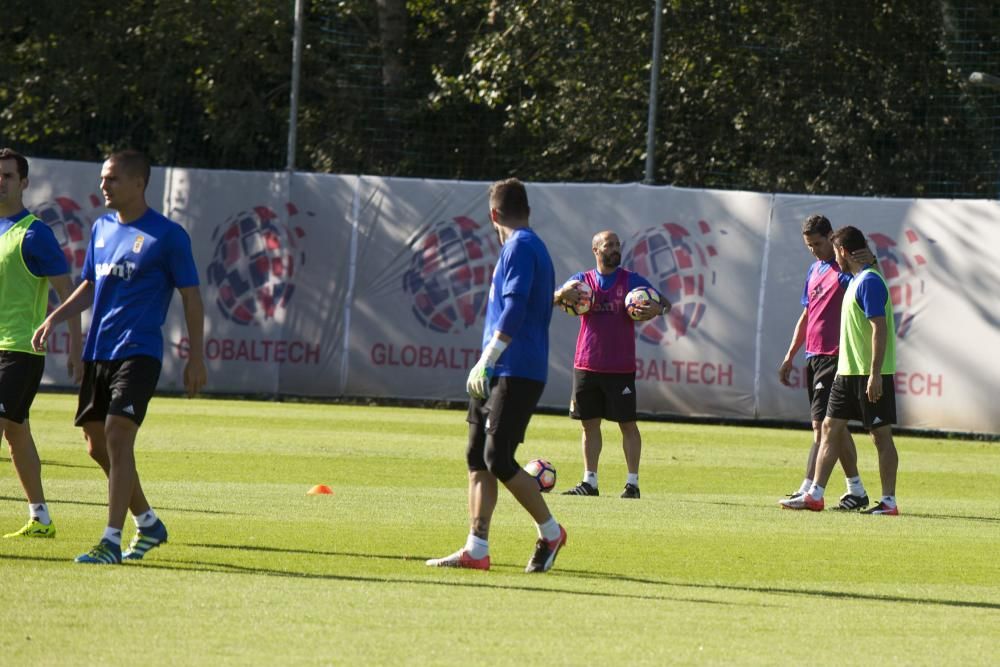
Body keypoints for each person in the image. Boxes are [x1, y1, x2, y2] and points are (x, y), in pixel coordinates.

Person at [33, 149, 207, 564]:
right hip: (99, 350)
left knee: (117, 433)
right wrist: (56, 317)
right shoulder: (102, 228)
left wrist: (196, 356)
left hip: (139, 350)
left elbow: (192, 296)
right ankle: (147, 521)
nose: (103, 186)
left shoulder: (168, 236)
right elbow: (90, 284)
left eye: (111, 179)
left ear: (138, 184)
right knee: (96, 445)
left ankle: (110, 540)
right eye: (102, 179)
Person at [426, 177, 566, 573]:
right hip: (499, 366)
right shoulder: (526, 245)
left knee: (497, 457)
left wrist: (488, 356)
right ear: (529, 210)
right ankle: (476, 548)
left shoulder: (520, 245)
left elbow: (516, 307)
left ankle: (551, 532)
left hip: (514, 367)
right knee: (477, 457)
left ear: (493, 215)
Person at [780, 225, 900, 515]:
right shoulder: (859, 279)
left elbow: (879, 329)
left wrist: (874, 373)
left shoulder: (869, 281)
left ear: (844, 252)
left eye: (835, 251)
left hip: (869, 372)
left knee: (880, 436)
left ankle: (888, 502)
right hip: (847, 372)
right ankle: (815, 494)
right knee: (830, 429)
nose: (834, 258)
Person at [0, 148, 83, 539]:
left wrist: (76, 347)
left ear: (24, 183)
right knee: (16, 434)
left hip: (19, 350)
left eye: (8, 176)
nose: (1, 182)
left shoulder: (34, 233)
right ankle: (41, 518)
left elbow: (70, 294)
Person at [553, 230, 668, 499]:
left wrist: (656, 309)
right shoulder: (582, 282)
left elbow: (664, 303)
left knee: (627, 424)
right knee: (588, 425)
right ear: (596, 250)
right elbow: (556, 300)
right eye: (609, 245)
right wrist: (562, 293)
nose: (615, 249)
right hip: (587, 364)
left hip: (620, 367)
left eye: (618, 244)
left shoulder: (632, 281)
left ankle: (632, 484)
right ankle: (589, 482)